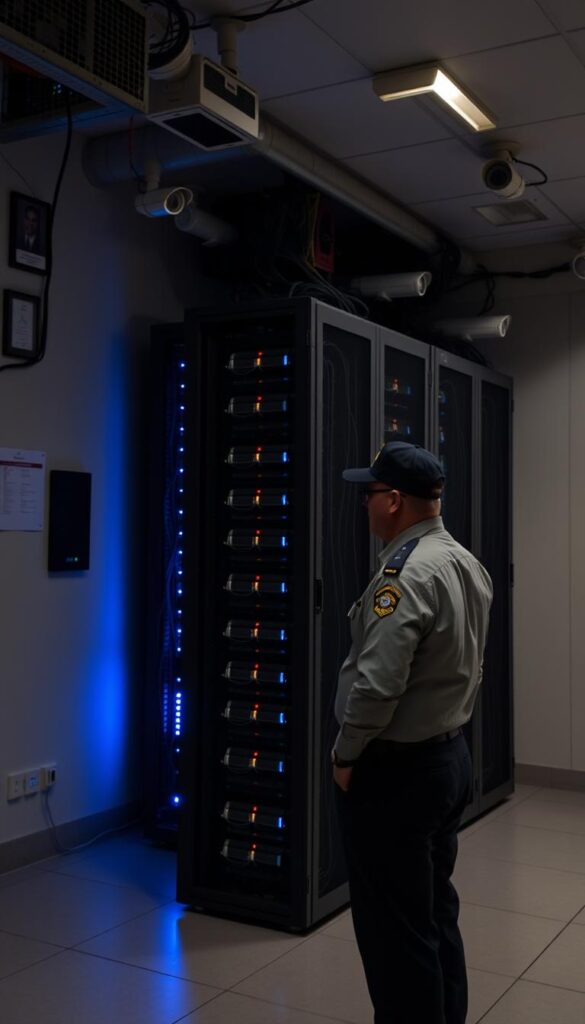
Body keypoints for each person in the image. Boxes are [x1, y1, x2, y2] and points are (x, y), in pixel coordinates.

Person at [332, 441, 493, 1024]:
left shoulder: (404, 577)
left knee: (395, 939)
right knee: (432, 916)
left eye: (369, 495)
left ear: (395, 500)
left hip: (395, 773)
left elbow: (376, 687)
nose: (365, 506)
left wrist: (346, 755)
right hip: (449, 759)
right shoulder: (464, 563)